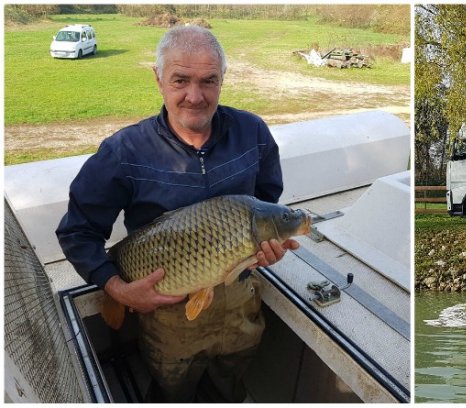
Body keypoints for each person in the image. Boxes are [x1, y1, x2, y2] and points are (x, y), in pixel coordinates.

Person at [55, 26, 296, 403]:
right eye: (180, 80)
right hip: (167, 310)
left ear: (222, 79)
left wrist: (265, 249)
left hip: (240, 300)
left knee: (229, 379)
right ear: (158, 78)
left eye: (208, 81)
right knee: (173, 388)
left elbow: (267, 199)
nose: (194, 96)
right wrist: (118, 289)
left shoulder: (252, 131)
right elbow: (78, 231)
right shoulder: (123, 152)